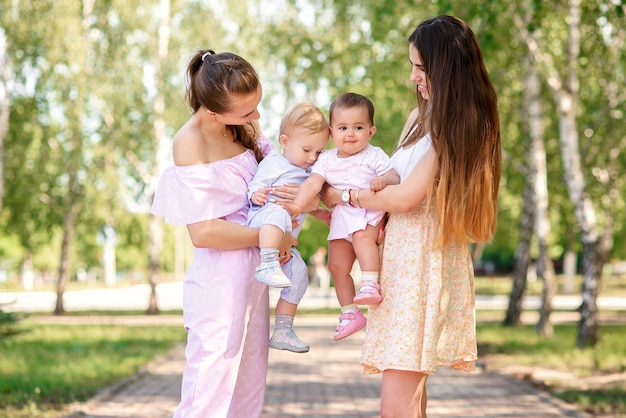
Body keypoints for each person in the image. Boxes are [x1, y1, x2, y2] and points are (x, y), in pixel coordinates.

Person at [321, 16, 501, 417]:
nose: (412, 77)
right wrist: (335, 206)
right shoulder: (421, 118)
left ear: (445, 67)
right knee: (409, 402)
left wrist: (343, 195)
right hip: (399, 258)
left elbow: (405, 198)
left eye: (420, 67)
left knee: (397, 406)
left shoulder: (463, 122)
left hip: (422, 262)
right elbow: (388, 190)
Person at [151, 49, 298, 418]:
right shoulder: (190, 142)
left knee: (247, 391)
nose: (257, 117)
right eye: (248, 111)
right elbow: (203, 233)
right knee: (208, 395)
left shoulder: (241, 129)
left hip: (253, 278)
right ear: (213, 111)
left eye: (257, 106)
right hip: (219, 286)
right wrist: (271, 236)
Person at [281, 93, 400, 341]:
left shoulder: (373, 155)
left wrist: (383, 180)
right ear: (331, 131)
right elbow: (314, 184)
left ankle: (369, 282)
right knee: (336, 266)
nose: (350, 133)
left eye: (358, 127)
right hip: (341, 217)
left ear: (371, 131)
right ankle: (350, 313)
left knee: (361, 239)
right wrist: (297, 205)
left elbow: (394, 178)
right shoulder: (325, 159)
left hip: (367, 213)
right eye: (343, 127)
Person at [246, 102, 330, 353]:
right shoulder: (273, 163)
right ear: (285, 141)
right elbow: (256, 184)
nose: (313, 157)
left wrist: (319, 212)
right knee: (278, 213)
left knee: (300, 273)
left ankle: (283, 329)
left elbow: (307, 201)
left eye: (319, 151)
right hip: (264, 220)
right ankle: (268, 262)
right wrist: (256, 195)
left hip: (285, 237)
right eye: (307, 149)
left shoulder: (311, 172)